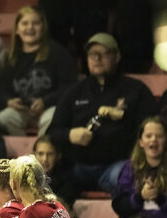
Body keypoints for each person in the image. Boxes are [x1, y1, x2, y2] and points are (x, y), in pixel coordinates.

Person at [47, 33, 157, 193]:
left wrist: (124, 116)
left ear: (117, 56)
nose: (97, 59)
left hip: (117, 165)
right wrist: (70, 135)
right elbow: (52, 132)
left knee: (129, 179)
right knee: (51, 183)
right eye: (92, 54)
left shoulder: (135, 89)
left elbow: (155, 125)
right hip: (79, 167)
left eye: (103, 53)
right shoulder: (74, 92)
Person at [0, 6, 77, 136]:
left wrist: (46, 102)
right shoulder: (11, 56)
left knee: (51, 119)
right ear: (17, 29)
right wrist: (8, 100)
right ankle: (24, 154)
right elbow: (1, 87)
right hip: (23, 109)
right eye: (25, 23)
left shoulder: (57, 52)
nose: (30, 28)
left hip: (50, 106)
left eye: (36, 23)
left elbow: (70, 85)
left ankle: (42, 153)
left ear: (43, 27)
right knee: (4, 118)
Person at [32, 136, 77, 205]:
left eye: (50, 154)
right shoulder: (26, 176)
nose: (45, 159)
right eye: (40, 154)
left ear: (58, 156)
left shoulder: (67, 179)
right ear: (34, 154)